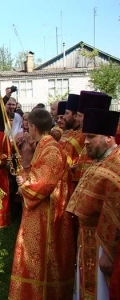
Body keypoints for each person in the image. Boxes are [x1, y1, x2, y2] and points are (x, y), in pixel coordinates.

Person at [9, 109, 75, 300]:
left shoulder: (51, 149)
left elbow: (44, 182)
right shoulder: (43, 145)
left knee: (39, 257)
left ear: (34, 126)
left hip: (46, 214)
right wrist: (27, 178)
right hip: (39, 210)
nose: (27, 130)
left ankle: (41, 295)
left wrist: (25, 185)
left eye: (28, 126)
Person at [66, 108, 120, 300]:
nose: (85, 141)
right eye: (85, 136)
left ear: (109, 137)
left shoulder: (117, 164)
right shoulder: (100, 160)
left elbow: (116, 212)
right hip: (86, 238)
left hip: (101, 244)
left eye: (91, 136)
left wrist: (108, 252)